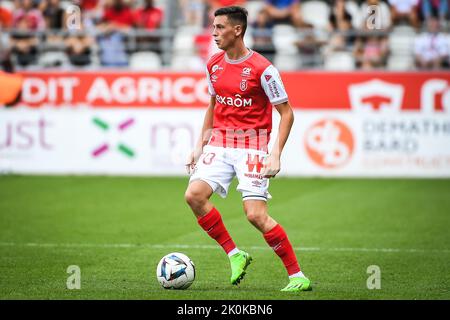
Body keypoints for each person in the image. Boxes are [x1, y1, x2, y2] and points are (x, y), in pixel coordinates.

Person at [184, 6, 311, 292]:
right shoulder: (213, 64)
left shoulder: (264, 70)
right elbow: (213, 106)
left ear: (237, 30)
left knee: (255, 215)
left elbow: (287, 113)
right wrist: (199, 146)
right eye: (213, 27)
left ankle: (297, 276)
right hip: (220, 142)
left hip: (253, 146)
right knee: (193, 196)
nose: (214, 33)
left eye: (219, 27)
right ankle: (234, 254)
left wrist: (275, 152)